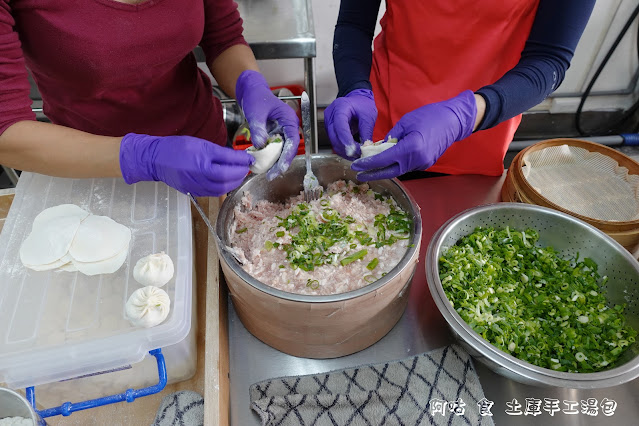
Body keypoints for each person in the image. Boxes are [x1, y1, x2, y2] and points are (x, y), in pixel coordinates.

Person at [0, 0, 299, 196]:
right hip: (91, 171)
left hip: (205, 151)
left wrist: (251, 86)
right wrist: (144, 156)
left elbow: (223, 35)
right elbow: (6, 130)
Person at [325, 0, 596, 181]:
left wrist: (464, 115)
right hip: (381, 121)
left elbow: (549, 60)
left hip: (478, 129)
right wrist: (355, 88)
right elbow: (354, 24)